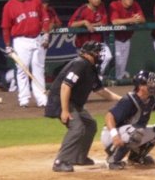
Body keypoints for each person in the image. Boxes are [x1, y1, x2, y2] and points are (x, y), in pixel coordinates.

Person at [45, 41, 122, 172]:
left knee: (90, 124)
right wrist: (64, 111)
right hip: (61, 101)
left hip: (73, 103)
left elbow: (101, 91)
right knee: (77, 127)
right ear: (88, 53)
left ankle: (79, 157)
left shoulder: (90, 68)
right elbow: (65, 86)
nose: (99, 55)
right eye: (97, 52)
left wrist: (123, 99)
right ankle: (60, 161)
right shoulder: (79, 64)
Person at [1, 0, 49, 107]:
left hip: (37, 38)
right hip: (21, 41)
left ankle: (42, 99)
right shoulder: (9, 6)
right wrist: (8, 45)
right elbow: (5, 28)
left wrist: (45, 34)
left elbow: (45, 18)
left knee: (38, 68)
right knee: (22, 70)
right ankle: (24, 99)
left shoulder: (35, 1)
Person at [68, 0, 112, 76]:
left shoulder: (101, 7)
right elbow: (71, 24)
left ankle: (98, 76)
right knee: (84, 67)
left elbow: (103, 23)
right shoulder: (83, 9)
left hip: (98, 42)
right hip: (84, 44)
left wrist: (91, 25)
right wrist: (84, 22)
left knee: (108, 56)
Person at [109, 0, 146, 79]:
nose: (130, 0)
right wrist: (131, 20)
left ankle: (119, 83)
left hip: (126, 38)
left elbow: (143, 19)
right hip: (113, 39)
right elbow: (115, 21)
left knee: (122, 65)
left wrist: (137, 19)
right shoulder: (115, 5)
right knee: (114, 61)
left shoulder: (135, 5)